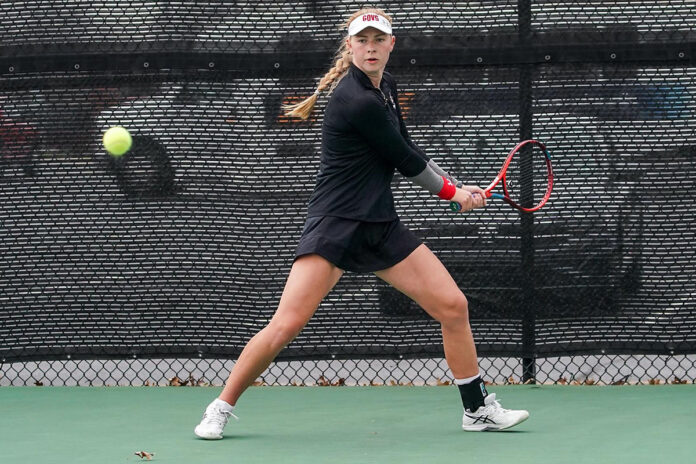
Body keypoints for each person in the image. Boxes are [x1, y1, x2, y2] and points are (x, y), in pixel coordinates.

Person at [194, 7, 529, 439]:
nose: (370, 47)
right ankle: (219, 407)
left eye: (378, 40)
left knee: (453, 306)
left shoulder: (385, 87)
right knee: (287, 324)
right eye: (362, 40)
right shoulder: (356, 99)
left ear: (392, 45)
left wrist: (458, 187)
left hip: (379, 225)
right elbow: (405, 159)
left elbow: (408, 147)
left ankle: (477, 409)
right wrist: (454, 194)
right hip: (336, 225)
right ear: (350, 46)